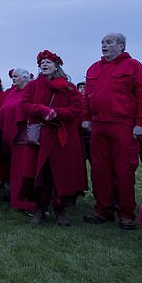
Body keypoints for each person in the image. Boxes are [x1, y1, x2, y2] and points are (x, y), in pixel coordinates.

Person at [82, 33, 142, 230]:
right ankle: (103, 209)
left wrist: (141, 123)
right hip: (99, 126)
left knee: (124, 170)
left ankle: (126, 213)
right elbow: (87, 96)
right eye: (102, 42)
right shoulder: (94, 68)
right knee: (99, 169)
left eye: (109, 42)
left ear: (121, 46)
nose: (104, 45)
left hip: (123, 125)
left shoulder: (133, 66)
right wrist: (86, 118)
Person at [19, 50, 88, 226]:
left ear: (56, 65)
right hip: (40, 136)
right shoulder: (33, 86)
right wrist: (41, 110)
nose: (44, 64)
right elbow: (25, 105)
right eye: (41, 62)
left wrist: (57, 113)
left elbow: (77, 109)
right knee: (40, 172)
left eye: (48, 61)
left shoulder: (69, 88)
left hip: (61, 136)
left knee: (61, 173)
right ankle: (39, 208)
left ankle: (60, 209)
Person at [0, 68, 35, 212]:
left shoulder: (30, 92)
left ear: (25, 78)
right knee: (16, 171)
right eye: (13, 77)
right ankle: (18, 201)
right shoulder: (13, 92)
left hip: (27, 137)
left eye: (15, 77)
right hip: (14, 139)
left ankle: (29, 203)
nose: (13, 79)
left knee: (26, 170)